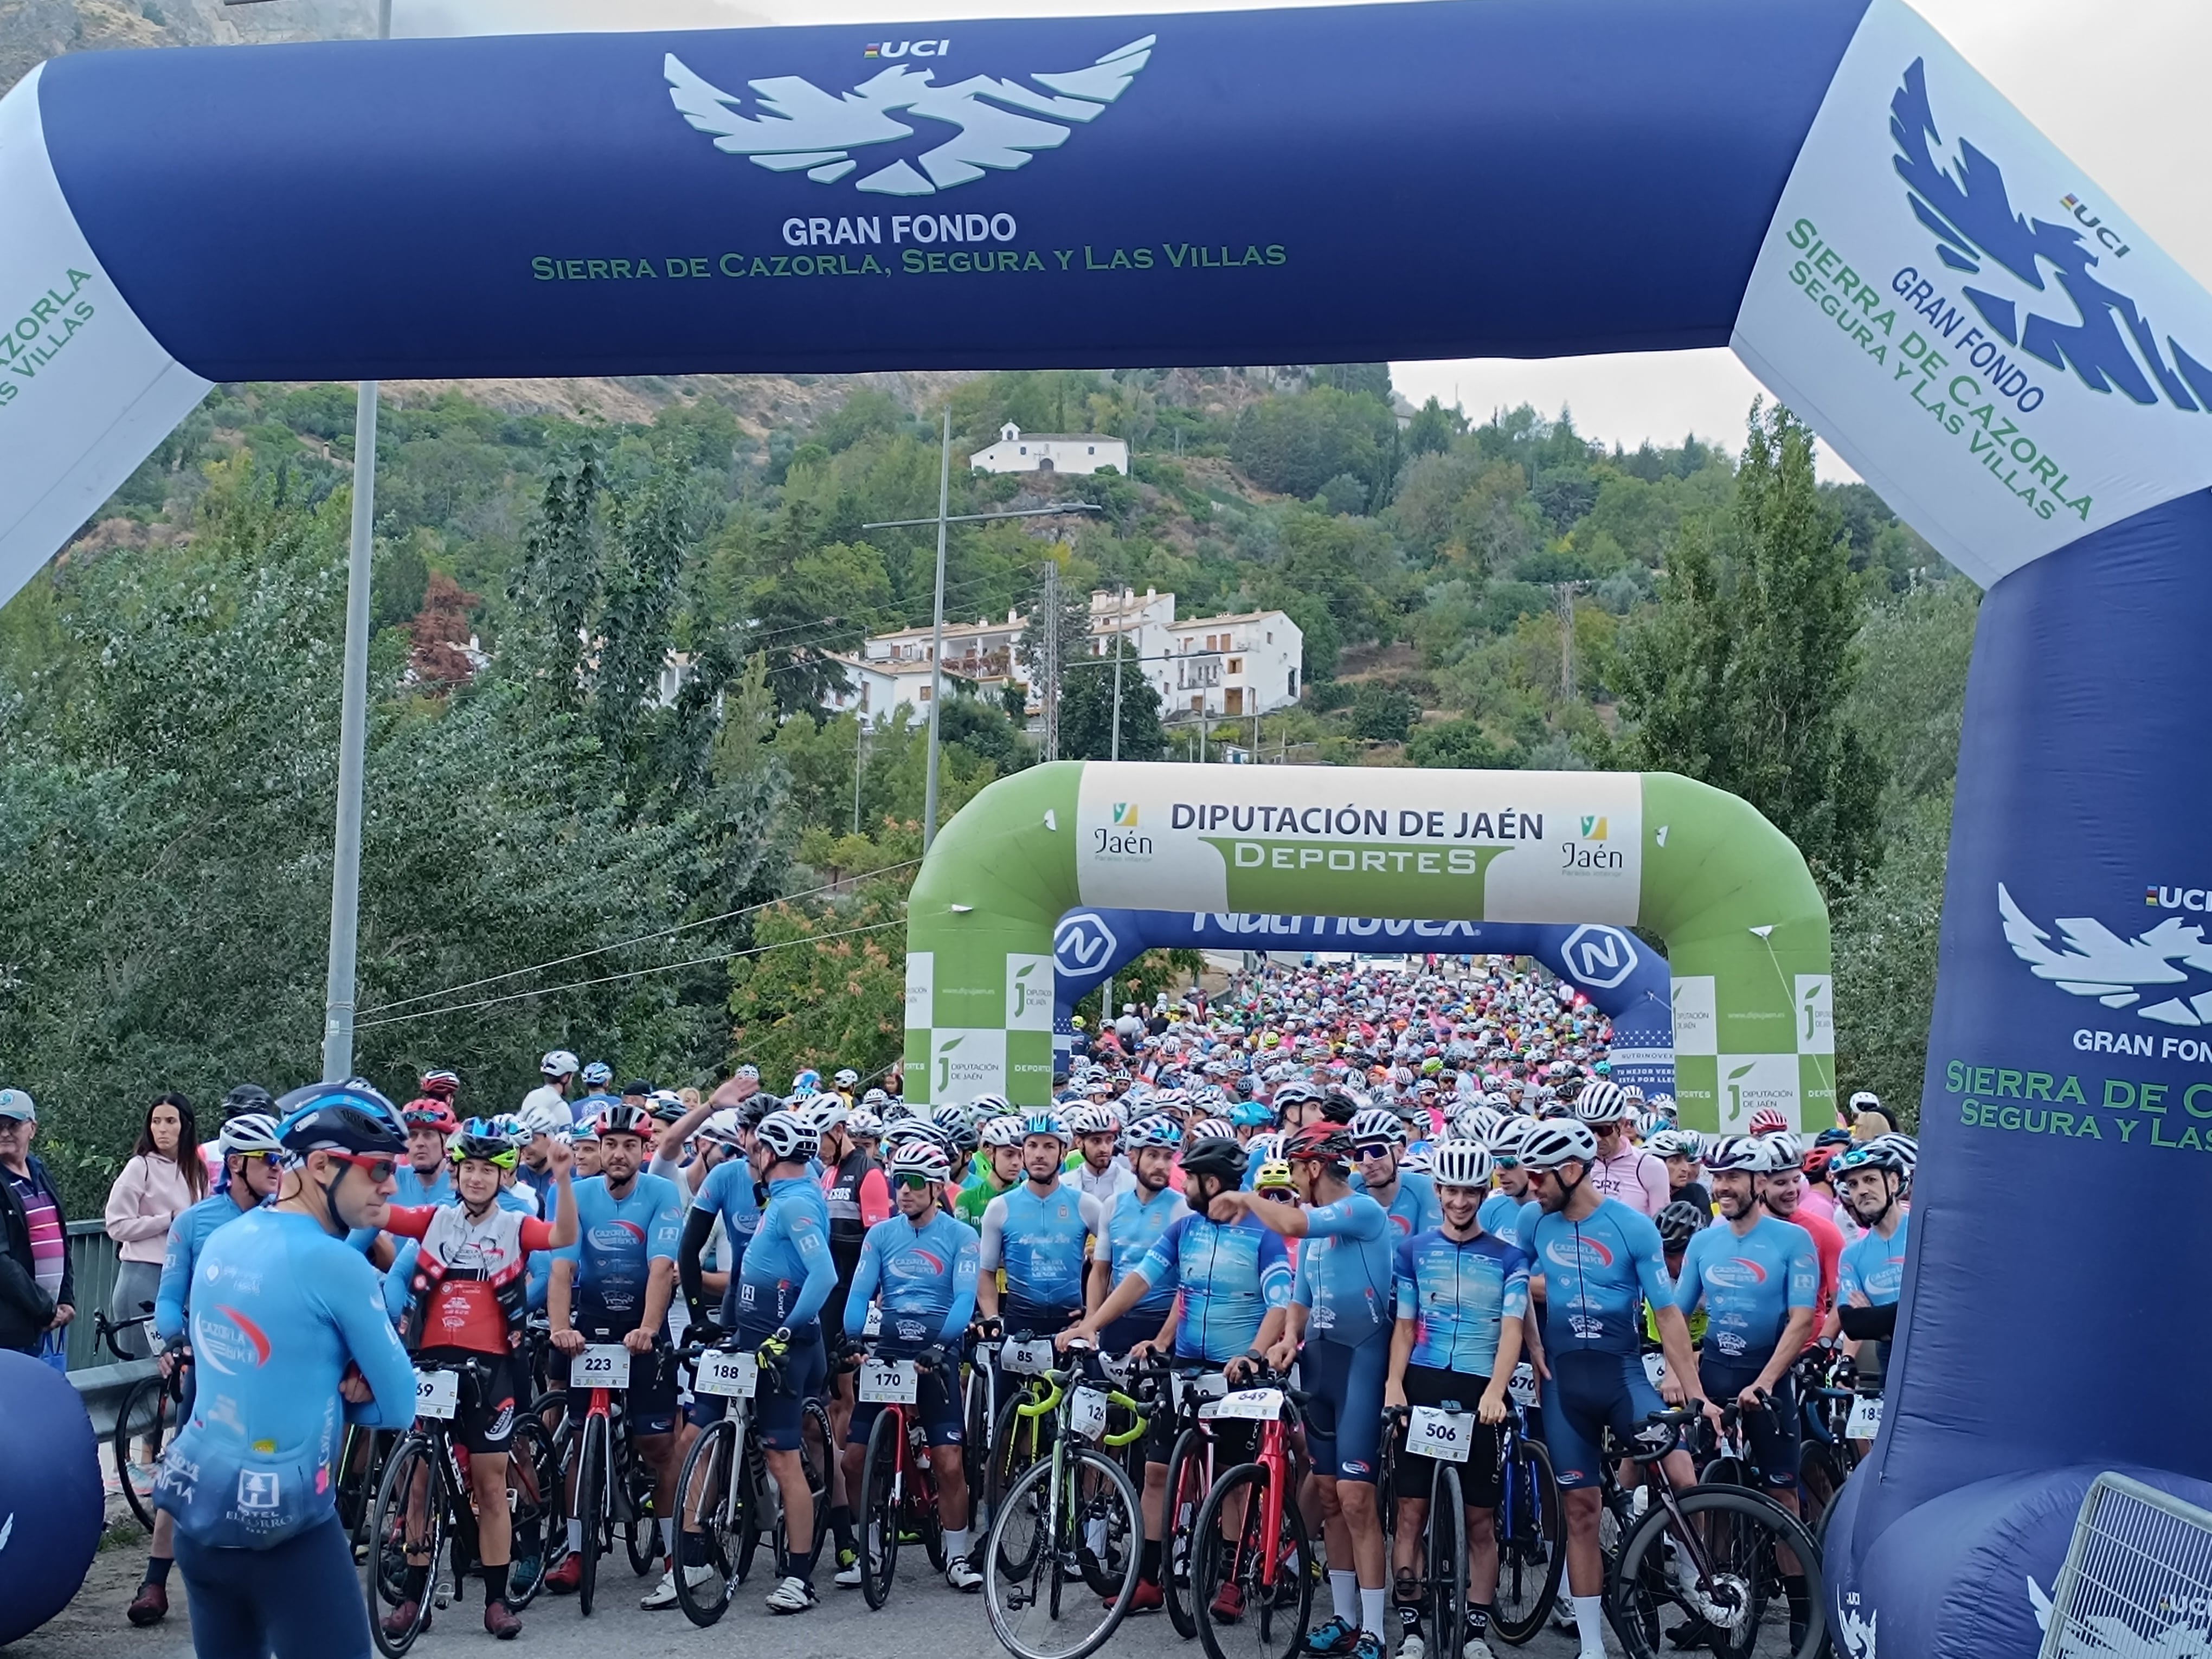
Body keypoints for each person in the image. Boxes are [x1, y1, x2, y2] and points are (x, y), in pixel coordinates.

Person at [151, 1082, 420, 1659]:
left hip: (199, 1521)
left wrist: (315, 1383)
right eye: (377, 1169)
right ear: (322, 1165)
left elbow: (247, 1372)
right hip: (288, 1533)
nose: (391, 1185)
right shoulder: (335, 1264)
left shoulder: (222, 1239)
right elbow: (400, 1404)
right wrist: (344, 1393)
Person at [1070, 1135, 1293, 1616]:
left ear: (1210, 1183)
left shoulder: (1262, 1234)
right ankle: (1148, 1577)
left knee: (1232, 1479)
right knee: (1156, 1472)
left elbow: (1279, 1302)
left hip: (1234, 1371)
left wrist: (1255, 1352)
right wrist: (1093, 1324)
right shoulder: (1185, 1228)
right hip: (1187, 1366)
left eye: (1189, 1176)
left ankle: (1233, 1577)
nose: (1182, 1182)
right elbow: (1139, 1281)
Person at [380, 1123, 577, 1638]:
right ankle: (413, 1596)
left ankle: (495, 1599)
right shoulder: (437, 1220)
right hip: (433, 1361)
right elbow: (386, 1214)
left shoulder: (515, 1223)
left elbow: (563, 1238)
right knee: (419, 1483)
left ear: (502, 1176)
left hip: (490, 1369)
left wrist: (564, 1177)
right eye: (469, 1168)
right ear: (456, 1171)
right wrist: (360, 1169)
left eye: (487, 1170)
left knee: (491, 1488)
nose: (476, 1178)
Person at [1519, 1118, 1703, 1659]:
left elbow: (1668, 1315)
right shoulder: (1535, 1221)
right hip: (1564, 1384)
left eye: (1539, 1176)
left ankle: (1694, 1579)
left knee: (1681, 1473)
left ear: (1572, 1171)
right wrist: (1531, 1348)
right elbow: (1513, 1287)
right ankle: (1594, 1647)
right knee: (1580, 1510)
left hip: (1622, 1376)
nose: (1532, 1187)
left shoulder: (1632, 1226)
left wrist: (1693, 1392)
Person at [1219, 1121, 1397, 1659]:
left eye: (1296, 1170)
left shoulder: (1361, 1210)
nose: (1295, 1180)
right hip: (1320, 1364)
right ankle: (1343, 1618)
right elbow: (1300, 1296)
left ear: (1314, 1166)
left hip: (1364, 1359)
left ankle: (1374, 1628)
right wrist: (1288, 1339)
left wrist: (1249, 1197)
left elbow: (1294, 1222)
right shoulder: (1317, 1232)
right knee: (1327, 1495)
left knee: (1356, 1497)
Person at [128, 1112, 285, 1626]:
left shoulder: (286, 1220)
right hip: (210, 1369)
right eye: (269, 1160)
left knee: (263, 1478)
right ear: (238, 1165)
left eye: (283, 1159)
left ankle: (257, 1586)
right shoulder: (194, 1222)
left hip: (269, 1374)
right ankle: (154, 1581)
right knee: (184, 1474)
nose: (279, 1169)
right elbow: (171, 1298)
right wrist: (178, 1338)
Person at [542, 1102, 690, 1608]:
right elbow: (561, 1270)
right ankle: (577, 1551)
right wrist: (561, 1328)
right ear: (599, 1150)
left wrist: (649, 1329)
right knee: (582, 1442)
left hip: (641, 1326)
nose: (620, 1154)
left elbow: (660, 1267)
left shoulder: (663, 1193)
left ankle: (675, 1558)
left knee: (658, 1447)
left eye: (631, 1145)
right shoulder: (577, 1195)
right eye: (612, 1145)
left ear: (644, 1150)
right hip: (590, 1324)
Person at [1673, 1136, 1819, 1647]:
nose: (1721, 1187)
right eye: (1716, 1177)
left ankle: (1805, 1615)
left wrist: (1766, 1381)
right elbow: (1676, 1316)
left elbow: (1801, 1321)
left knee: (1781, 1495)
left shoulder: (1792, 1241)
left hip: (1770, 1376)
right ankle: (1714, 1599)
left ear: (1758, 1182)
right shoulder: (1704, 1242)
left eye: (1732, 1177)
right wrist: (1686, 1380)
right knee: (1711, 1497)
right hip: (1716, 1372)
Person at [1383, 1141, 1526, 1659]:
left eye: (1471, 1192)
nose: (1461, 1202)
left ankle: (1476, 1632)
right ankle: (1412, 1629)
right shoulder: (1413, 1250)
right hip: (1423, 1381)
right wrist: (1394, 1385)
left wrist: (1495, 1389)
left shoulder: (1510, 1257)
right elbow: (1404, 1327)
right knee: (1410, 1514)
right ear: (1438, 1192)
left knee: (1481, 1523)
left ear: (1484, 1193)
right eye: (1452, 1191)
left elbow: (1512, 1330)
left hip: (1479, 1387)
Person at [835, 1140, 984, 1593]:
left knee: (949, 1462)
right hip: (891, 1346)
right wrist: (854, 1335)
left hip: (937, 1349)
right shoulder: (881, 1235)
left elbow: (963, 1298)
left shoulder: (962, 1237)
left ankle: (958, 1556)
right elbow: (860, 1293)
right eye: (901, 1182)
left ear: (937, 1189)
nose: (905, 1192)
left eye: (917, 1184)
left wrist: (943, 1344)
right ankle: (871, 1548)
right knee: (855, 1460)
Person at [731, 1107, 838, 1614]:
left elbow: (824, 1276)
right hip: (755, 1335)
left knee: (783, 1459)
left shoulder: (796, 1203)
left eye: (756, 1149)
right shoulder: (786, 1195)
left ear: (770, 1153)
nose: (752, 1156)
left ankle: (799, 1577)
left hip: (782, 1344)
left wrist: (786, 1329)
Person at [811, 1095, 889, 1576]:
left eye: (821, 1139)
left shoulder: (869, 1172)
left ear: (839, 1132)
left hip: (851, 1294)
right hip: (825, 1295)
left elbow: (875, 1241)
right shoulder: (825, 1174)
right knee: (825, 1404)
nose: (817, 1148)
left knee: (843, 1400)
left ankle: (853, 1495)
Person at [975, 1112, 1104, 1339]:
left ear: (1063, 1153)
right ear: (1023, 1152)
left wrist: (1093, 1316)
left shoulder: (1087, 1205)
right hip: (1018, 1325)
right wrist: (993, 1318)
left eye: (1049, 1146)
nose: (1039, 1155)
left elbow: (1114, 1262)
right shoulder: (1000, 1207)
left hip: (1072, 1325)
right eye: (1032, 1145)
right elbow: (985, 1273)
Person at [106, 1092, 207, 1361]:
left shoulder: (197, 1171)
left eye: (170, 1121)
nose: (162, 1129)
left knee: (180, 1366)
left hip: (184, 1279)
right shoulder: (140, 1167)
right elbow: (116, 1226)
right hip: (143, 1275)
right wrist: (169, 1219)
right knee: (144, 1368)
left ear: (185, 1126)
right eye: (156, 1121)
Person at [1831, 1138, 1912, 1397]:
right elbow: (1854, 1324)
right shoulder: (1853, 1255)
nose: (1862, 1190)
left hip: (1938, 1358)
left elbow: (1939, 1310)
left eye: (1870, 1180)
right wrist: (1900, 1316)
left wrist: (1877, 1320)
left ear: (1893, 1182)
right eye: (1853, 1185)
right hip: (1890, 1360)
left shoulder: (1928, 1234)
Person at [0, 1088, 73, 1366]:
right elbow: (2, 1263)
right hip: (10, 1329)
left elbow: (60, 1238)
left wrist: (66, 1299)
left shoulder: (40, 1172)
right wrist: (44, 1309)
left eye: (14, 1125)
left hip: (44, 1328)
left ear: (33, 1128)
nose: (5, 1132)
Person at [1760, 1132, 1841, 1339]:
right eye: (1781, 1183)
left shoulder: (1824, 1231)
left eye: (1796, 1180)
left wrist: (1820, 1349)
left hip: (1806, 1355)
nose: (1792, 1190)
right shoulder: (1738, 1228)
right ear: (1759, 1185)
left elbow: (1843, 1302)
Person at [1574, 1080, 1668, 1216]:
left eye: (1604, 1130)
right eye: (1589, 1130)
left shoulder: (1650, 1166)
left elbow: (1660, 1227)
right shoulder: (1577, 1165)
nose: (1596, 1138)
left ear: (1622, 1124)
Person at [395, 1098, 459, 1207]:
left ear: (445, 1142)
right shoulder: (393, 1179)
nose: (420, 1143)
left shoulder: (462, 1183)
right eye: (413, 1135)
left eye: (428, 1135)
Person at [522, 1049, 578, 1124]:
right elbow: (566, 1134)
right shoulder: (559, 1105)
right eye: (572, 1077)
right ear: (565, 1078)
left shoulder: (531, 1096)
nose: (571, 1082)